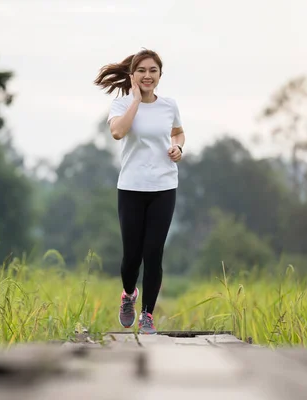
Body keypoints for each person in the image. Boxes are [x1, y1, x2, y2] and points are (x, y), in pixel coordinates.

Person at [93, 49, 185, 334]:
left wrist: (178, 147)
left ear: (160, 75)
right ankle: (128, 295)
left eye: (153, 70)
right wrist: (135, 101)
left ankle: (147, 314)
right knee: (131, 257)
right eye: (142, 70)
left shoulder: (169, 105)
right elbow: (118, 133)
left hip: (164, 186)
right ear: (132, 75)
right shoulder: (121, 105)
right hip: (131, 187)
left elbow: (178, 132)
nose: (148, 75)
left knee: (153, 252)